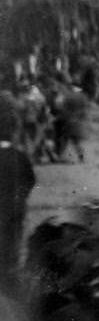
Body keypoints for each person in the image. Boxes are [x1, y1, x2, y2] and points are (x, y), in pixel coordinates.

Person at [0, 116, 36, 289]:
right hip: (16, 205)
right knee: (14, 238)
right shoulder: (20, 156)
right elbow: (31, 179)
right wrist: (22, 196)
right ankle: (10, 273)